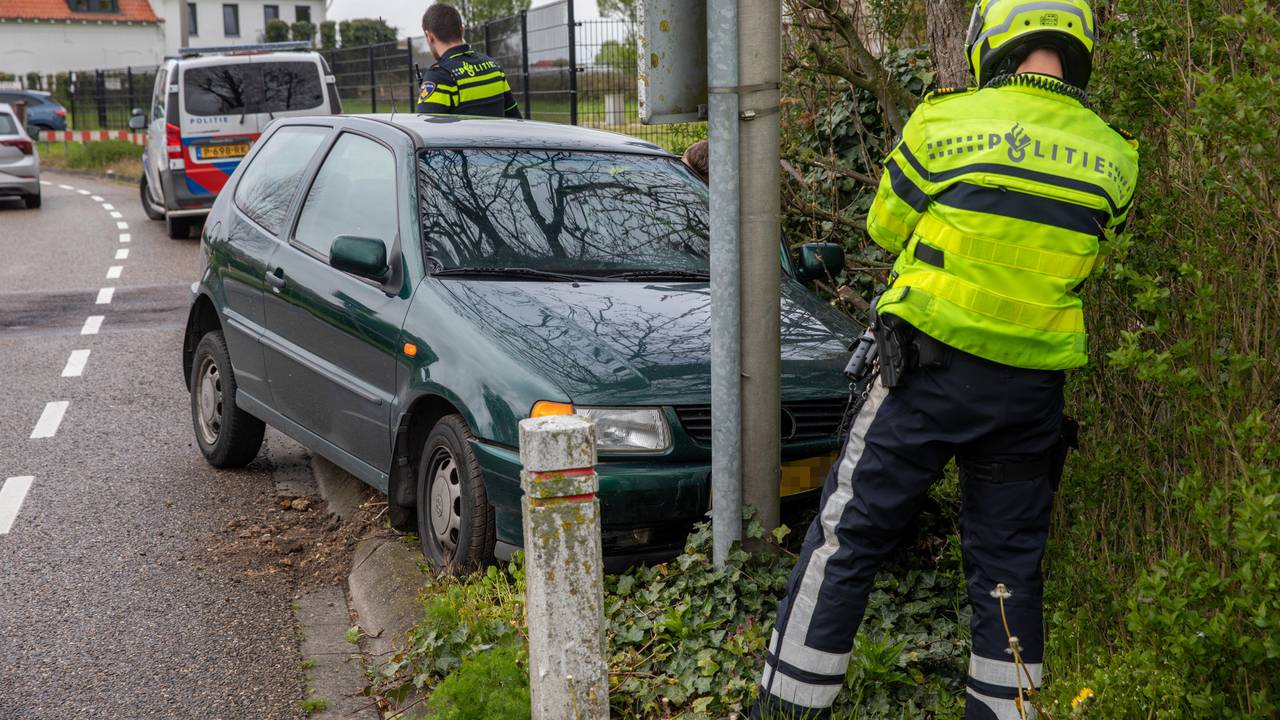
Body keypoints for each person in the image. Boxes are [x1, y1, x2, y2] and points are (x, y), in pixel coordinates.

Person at [751, 1, 1139, 718]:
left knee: (849, 540)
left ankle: (786, 709)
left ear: (991, 39)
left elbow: (883, 224)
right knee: (1009, 567)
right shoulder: (1115, 155)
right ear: (1080, 42)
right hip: (1029, 397)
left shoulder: (944, 123)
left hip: (923, 377)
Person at [417, 3, 522, 118]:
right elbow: (515, 118)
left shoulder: (439, 77)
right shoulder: (494, 67)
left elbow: (427, 131)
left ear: (429, 37)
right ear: (462, 30)